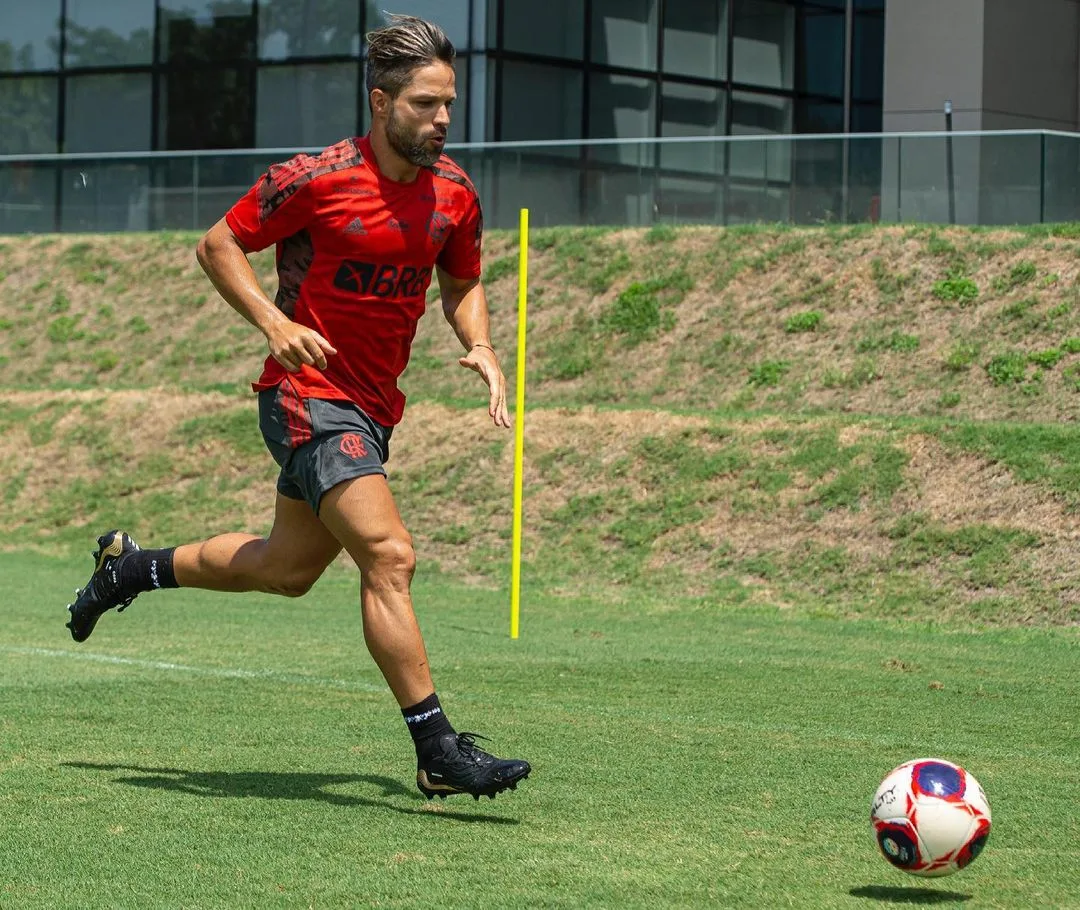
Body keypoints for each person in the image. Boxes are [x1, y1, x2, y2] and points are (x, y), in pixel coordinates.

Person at [65, 15, 530, 803]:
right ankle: (438, 749)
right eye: (424, 103)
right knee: (389, 557)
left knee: (286, 572)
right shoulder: (312, 179)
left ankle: (130, 569)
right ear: (380, 103)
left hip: (374, 409)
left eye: (449, 102)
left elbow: (462, 283)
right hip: (306, 399)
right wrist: (275, 324)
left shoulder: (455, 194)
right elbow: (219, 244)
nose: (442, 118)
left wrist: (480, 342)